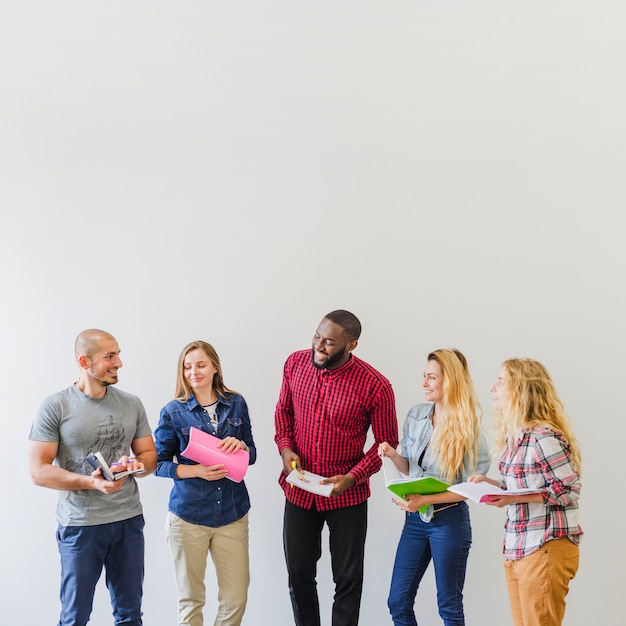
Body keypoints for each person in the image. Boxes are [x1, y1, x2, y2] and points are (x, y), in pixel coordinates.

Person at [274, 309, 398, 626]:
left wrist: (353, 477)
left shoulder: (376, 386)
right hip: (299, 491)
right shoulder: (294, 364)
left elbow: (387, 442)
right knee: (298, 574)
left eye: (329, 342)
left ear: (351, 345)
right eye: (317, 336)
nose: (319, 345)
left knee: (348, 581)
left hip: (347, 496)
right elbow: (283, 413)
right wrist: (286, 449)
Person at [28, 329, 157, 626]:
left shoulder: (131, 403)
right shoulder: (55, 406)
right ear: (85, 362)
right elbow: (38, 471)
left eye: (119, 354)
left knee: (130, 616)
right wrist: (91, 482)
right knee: (75, 618)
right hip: (80, 526)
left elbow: (149, 456)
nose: (119, 363)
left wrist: (135, 465)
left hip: (128, 522)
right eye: (110, 356)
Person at [378, 348, 491, 626]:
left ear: (449, 381)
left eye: (431, 377)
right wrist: (393, 455)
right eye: (424, 376)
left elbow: (471, 488)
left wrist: (426, 500)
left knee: (449, 606)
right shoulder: (416, 414)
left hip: (449, 521)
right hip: (415, 521)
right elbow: (409, 469)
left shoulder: (469, 430)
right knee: (398, 601)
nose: (424, 383)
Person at [469, 358, 582, 626]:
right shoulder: (517, 437)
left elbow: (569, 490)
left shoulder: (544, 436)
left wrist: (512, 496)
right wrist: (494, 485)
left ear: (521, 389)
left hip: (545, 546)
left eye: (500, 381)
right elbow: (526, 486)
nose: (492, 387)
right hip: (519, 547)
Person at [154, 340, 256, 626]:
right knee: (191, 601)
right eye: (187, 367)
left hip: (232, 514)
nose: (193, 372)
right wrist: (195, 471)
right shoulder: (173, 411)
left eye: (200, 365)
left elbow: (253, 453)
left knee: (236, 598)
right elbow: (157, 464)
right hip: (188, 516)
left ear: (214, 367)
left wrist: (242, 447)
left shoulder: (236, 403)